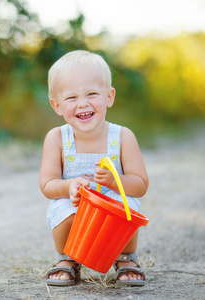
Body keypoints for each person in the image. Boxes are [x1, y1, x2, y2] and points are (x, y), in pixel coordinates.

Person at [39, 50, 149, 286]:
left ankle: (126, 257)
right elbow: (48, 185)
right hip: (76, 202)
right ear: (56, 105)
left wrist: (113, 180)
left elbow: (140, 184)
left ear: (109, 97)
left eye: (92, 94)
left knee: (128, 205)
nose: (83, 103)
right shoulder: (57, 138)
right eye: (71, 98)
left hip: (111, 204)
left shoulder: (122, 137)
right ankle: (67, 258)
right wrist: (68, 186)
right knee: (61, 208)